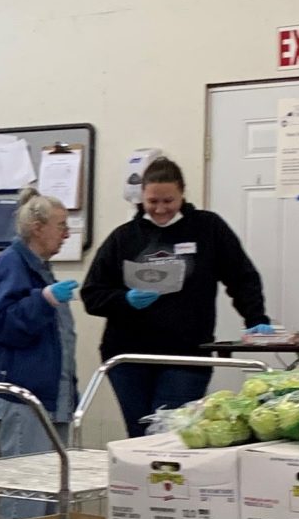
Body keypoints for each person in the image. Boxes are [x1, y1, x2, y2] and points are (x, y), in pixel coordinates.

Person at [80, 156, 270, 435]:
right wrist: (124, 300)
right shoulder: (124, 237)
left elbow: (241, 277)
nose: (160, 209)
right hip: (129, 356)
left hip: (186, 354)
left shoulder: (208, 228)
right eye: (152, 201)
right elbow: (92, 294)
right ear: (142, 197)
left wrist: (256, 319)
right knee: (138, 435)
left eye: (168, 201)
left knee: (170, 434)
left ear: (182, 193)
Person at [0, 194, 80, 468]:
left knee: (53, 482)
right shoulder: (9, 265)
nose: (67, 234)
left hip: (51, 396)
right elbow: (0, 325)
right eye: (61, 226)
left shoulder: (40, 268)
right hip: (25, 397)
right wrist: (43, 300)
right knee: (25, 482)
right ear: (37, 228)